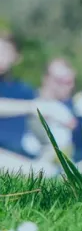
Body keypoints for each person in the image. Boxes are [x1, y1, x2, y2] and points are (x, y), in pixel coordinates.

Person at [0, 34, 74, 173]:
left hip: (17, 154)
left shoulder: (24, 91)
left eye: (5, 50)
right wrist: (32, 107)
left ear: (16, 57)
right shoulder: (30, 103)